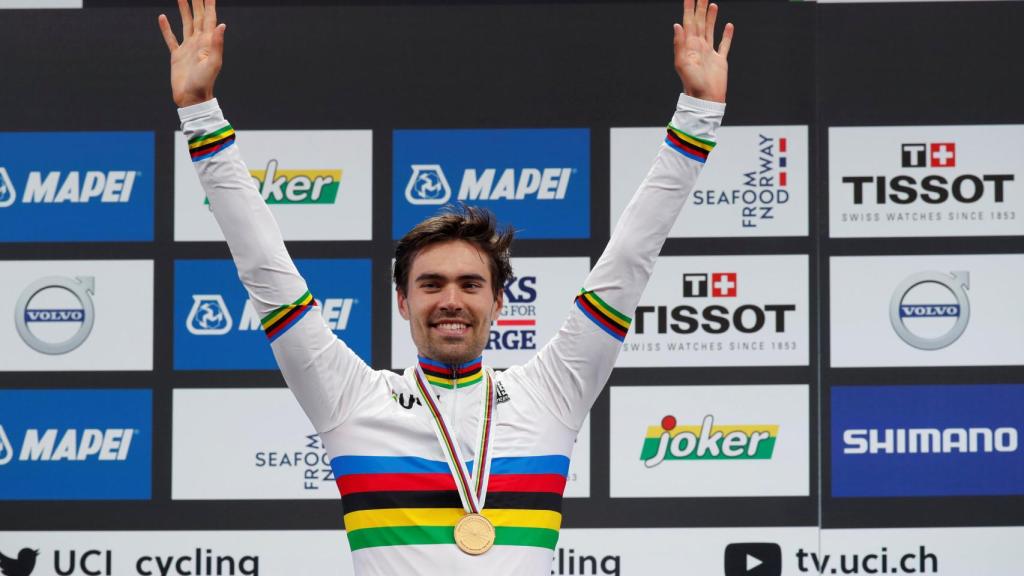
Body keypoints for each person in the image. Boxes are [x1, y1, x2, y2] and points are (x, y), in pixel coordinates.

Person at [158, 0, 732, 573]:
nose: (451, 300)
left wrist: (697, 115)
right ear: (403, 301)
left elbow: (630, 259)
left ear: (499, 301)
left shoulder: (553, 393)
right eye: (430, 284)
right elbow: (266, 272)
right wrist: (198, 110)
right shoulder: (351, 400)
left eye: (470, 284)